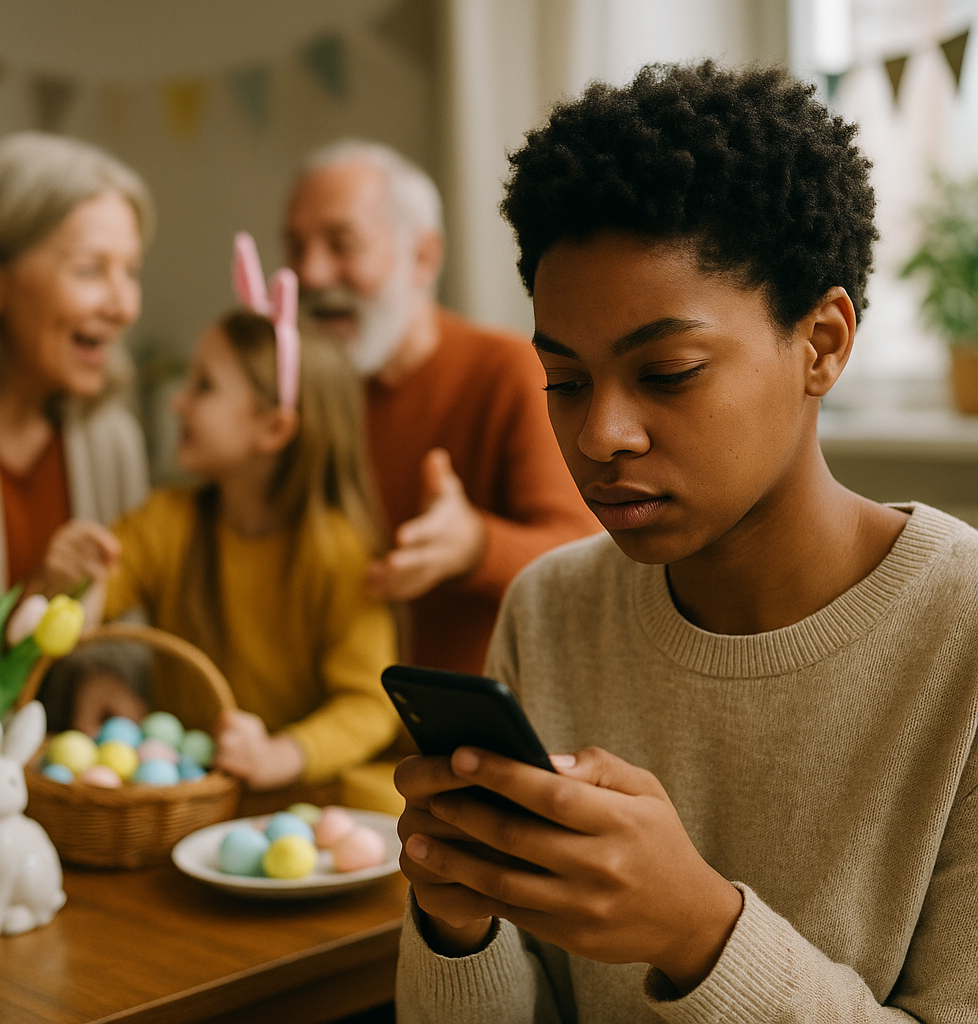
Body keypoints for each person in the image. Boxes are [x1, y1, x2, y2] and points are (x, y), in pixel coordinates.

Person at [394, 62, 978, 1021]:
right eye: (566, 382)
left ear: (823, 342)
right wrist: (461, 924)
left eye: (667, 372)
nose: (600, 437)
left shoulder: (960, 634)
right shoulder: (550, 610)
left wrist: (699, 934)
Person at [42, 236, 402, 810]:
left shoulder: (338, 550)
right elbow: (80, 614)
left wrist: (282, 754)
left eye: (203, 387)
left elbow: (368, 704)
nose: (178, 404)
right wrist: (68, 580)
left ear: (273, 429)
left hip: (302, 803)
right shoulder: (166, 521)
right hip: (189, 798)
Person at [284, 141, 600, 675]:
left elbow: (592, 562)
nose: (311, 274)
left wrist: (475, 545)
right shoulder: (294, 389)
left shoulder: (507, 371)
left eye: (342, 244)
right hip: (321, 730)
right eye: (295, 247)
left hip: (476, 729)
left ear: (423, 257)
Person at [0, 131, 154, 728]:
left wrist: (101, 678)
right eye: (91, 270)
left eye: (131, 272)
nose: (124, 306)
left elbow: (127, 624)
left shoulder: (110, 436)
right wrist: (36, 593)